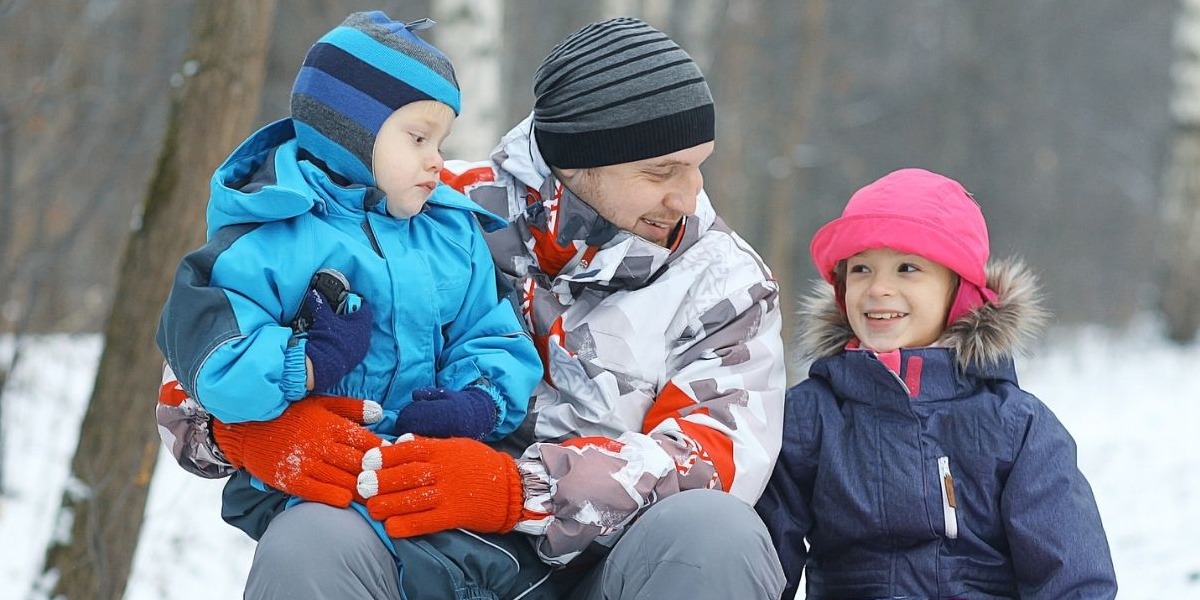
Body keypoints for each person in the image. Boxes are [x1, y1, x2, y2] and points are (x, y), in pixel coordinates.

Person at [158, 15, 787, 600]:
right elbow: (205, 348)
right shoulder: (428, 204)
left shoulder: (726, 285)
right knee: (308, 543)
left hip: (604, 566)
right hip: (409, 539)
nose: (691, 194)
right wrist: (248, 430)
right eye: (661, 172)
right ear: (577, 161)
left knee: (716, 532)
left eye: (698, 167)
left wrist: (520, 490)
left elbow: (711, 460)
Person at [155, 9, 542, 548]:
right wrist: (304, 364)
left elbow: (492, 332)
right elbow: (215, 363)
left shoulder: (452, 234)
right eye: (418, 138)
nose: (437, 161)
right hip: (309, 485)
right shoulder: (269, 236)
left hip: (427, 478)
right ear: (350, 133)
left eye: (441, 141)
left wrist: (478, 398)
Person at [755, 168, 1117, 599]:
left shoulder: (1016, 426)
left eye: (907, 268)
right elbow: (765, 560)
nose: (878, 289)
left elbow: (1072, 577)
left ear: (958, 290)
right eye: (861, 269)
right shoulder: (809, 418)